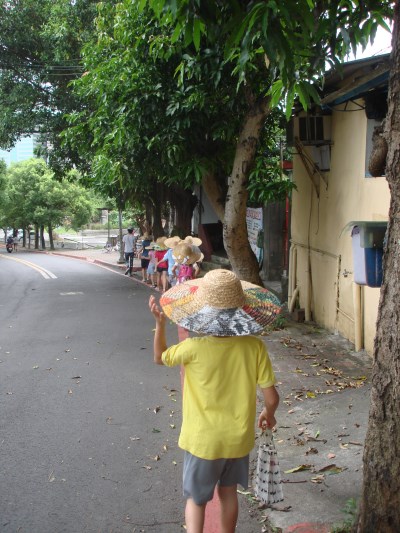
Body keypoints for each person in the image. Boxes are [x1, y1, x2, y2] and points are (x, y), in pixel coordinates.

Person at [148, 269, 281, 533]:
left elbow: (159, 357)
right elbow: (272, 398)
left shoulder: (193, 348)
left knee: (196, 499)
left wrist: (160, 325)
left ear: (203, 311)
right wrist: (269, 414)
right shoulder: (254, 347)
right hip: (238, 440)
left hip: (203, 441)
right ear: (242, 309)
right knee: (228, 494)